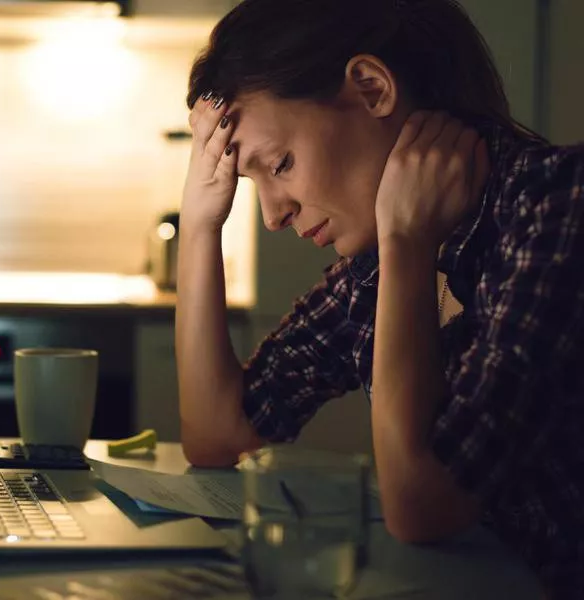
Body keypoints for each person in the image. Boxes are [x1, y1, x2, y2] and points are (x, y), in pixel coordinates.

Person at [174, 0, 584, 596]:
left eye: (280, 164)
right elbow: (220, 435)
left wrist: (407, 245)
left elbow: (423, 504)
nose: (272, 215)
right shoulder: (371, 273)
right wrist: (199, 224)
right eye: (250, 182)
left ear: (370, 87)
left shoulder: (559, 204)